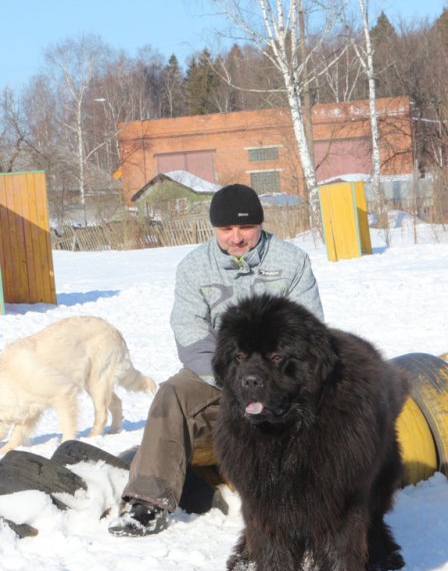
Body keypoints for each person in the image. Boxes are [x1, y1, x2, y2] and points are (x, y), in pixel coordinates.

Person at [109, 183, 323, 536]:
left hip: (279, 374)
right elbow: (189, 330)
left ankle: (309, 498)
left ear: (260, 224)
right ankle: (149, 502)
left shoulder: (291, 262)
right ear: (214, 229)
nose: (236, 238)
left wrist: (273, 379)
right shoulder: (194, 267)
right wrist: (231, 379)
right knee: (173, 393)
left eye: (245, 228)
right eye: (226, 229)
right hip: (219, 373)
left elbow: (307, 329)